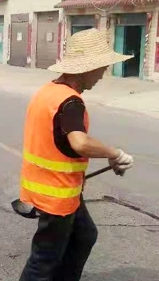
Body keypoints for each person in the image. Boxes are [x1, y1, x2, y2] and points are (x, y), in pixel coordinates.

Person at [19, 28, 134, 281]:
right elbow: (79, 143)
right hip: (57, 195)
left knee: (84, 236)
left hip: (54, 188)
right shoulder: (71, 102)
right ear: (86, 69)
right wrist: (114, 153)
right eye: (101, 68)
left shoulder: (48, 91)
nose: (102, 74)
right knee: (43, 262)